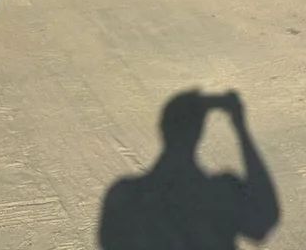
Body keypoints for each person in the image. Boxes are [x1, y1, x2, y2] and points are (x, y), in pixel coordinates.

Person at [98, 90, 279, 249]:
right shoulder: (219, 194)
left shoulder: (126, 196)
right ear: (198, 133)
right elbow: (264, 219)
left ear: (163, 128)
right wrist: (241, 128)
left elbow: (108, 242)